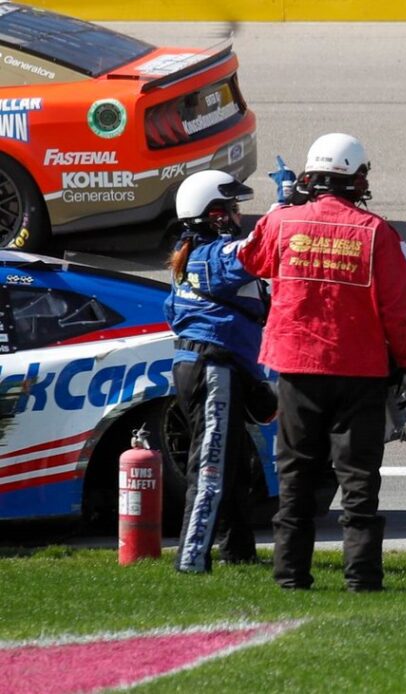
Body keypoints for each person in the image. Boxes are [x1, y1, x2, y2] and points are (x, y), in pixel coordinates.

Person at [237, 133, 406, 591]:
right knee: (359, 478)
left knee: (296, 474)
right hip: (359, 371)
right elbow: (397, 310)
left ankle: (290, 577)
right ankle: (361, 578)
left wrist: (281, 208)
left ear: (309, 177)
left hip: (297, 369)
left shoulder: (283, 223)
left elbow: (250, 260)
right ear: (357, 179)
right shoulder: (377, 232)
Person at [165, 169, 272, 574]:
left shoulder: (193, 251)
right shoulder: (211, 257)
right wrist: (286, 207)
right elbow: (254, 251)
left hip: (219, 365)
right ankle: (191, 559)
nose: (240, 214)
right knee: (210, 467)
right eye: (232, 207)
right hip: (213, 367)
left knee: (237, 463)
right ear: (214, 215)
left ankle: (238, 550)